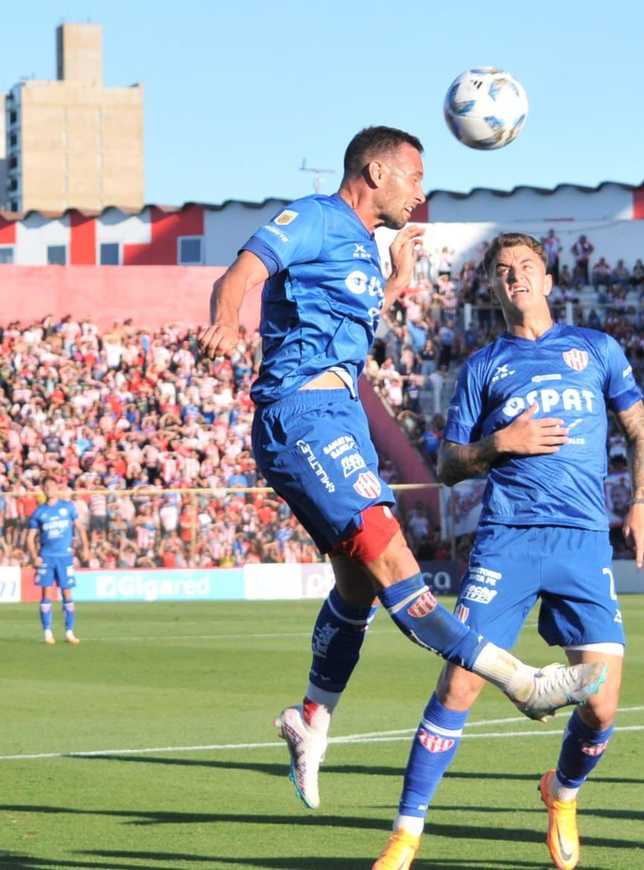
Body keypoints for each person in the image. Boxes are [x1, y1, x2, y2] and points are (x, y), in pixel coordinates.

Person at [197, 127, 606, 812]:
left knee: (357, 585)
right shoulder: (317, 215)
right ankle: (522, 683)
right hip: (302, 414)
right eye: (414, 176)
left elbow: (339, 317)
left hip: (338, 419)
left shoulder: (362, 245)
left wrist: (393, 283)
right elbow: (242, 269)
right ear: (376, 169)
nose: (421, 191)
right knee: (397, 572)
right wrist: (225, 319)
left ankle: (312, 719)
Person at [372, 232, 644, 870]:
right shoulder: (483, 366)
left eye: (526, 266)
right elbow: (447, 464)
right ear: (494, 288)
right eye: (503, 271)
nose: (515, 277)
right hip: (507, 539)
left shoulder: (597, 350)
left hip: (583, 541)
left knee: (603, 700)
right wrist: (502, 442)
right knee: (460, 683)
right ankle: (405, 835)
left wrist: (641, 502)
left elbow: (639, 432)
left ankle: (561, 793)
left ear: (548, 280)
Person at [26, 475, 88, 644]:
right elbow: (30, 538)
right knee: (46, 592)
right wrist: (34, 556)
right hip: (47, 557)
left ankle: (69, 632)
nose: (49, 488)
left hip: (64, 557)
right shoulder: (39, 511)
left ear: (57, 487)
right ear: (43, 489)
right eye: (46, 486)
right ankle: (47, 632)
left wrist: (86, 548)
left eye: (52, 485)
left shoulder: (67, 507)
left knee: (67, 592)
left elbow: (80, 528)